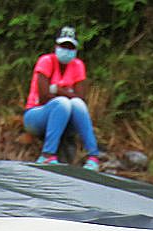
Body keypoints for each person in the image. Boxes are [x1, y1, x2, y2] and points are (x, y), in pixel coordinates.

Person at [23, 26, 102, 171]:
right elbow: (44, 97)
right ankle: (48, 154)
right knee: (63, 103)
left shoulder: (78, 65)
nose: (66, 50)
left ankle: (93, 156)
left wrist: (58, 90)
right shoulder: (46, 61)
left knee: (77, 104)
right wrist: (65, 93)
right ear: (56, 46)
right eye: (63, 46)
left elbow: (80, 97)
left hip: (65, 117)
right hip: (36, 115)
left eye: (70, 47)